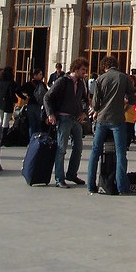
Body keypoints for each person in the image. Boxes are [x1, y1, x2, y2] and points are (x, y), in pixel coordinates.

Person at [86, 55, 136, 196]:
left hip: (102, 118)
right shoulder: (124, 77)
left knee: (95, 151)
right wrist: (125, 109)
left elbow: (95, 104)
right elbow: (132, 97)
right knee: (121, 153)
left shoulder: (100, 79)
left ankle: (91, 184)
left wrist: (98, 110)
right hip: (118, 119)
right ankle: (122, 187)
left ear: (104, 66)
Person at [44, 57, 90, 188]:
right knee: (61, 149)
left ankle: (72, 174)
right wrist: (50, 114)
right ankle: (59, 178)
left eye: (85, 70)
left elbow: (85, 100)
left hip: (76, 119)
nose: (84, 73)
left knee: (78, 148)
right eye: (82, 70)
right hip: (63, 118)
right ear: (75, 69)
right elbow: (47, 96)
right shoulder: (62, 81)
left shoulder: (82, 83)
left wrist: (84, 112)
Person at [0, 65, 23, 140]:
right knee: (5, 122)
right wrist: (18, 99)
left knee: (0, 121)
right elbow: (15, 92)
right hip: (8, 104)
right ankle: (3, 139)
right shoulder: (11, 83)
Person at [21, 67, 48, 140]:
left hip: (31, 104)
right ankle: (38, 139)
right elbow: (47, 94)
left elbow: (18, 90)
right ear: (35, 75)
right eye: (40, 74)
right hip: (38, 105)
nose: (41, 76)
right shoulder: (42, 84)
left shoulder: (28, 84)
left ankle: (32, 140)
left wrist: (25, 97)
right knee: (38, 123)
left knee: (32, 124)